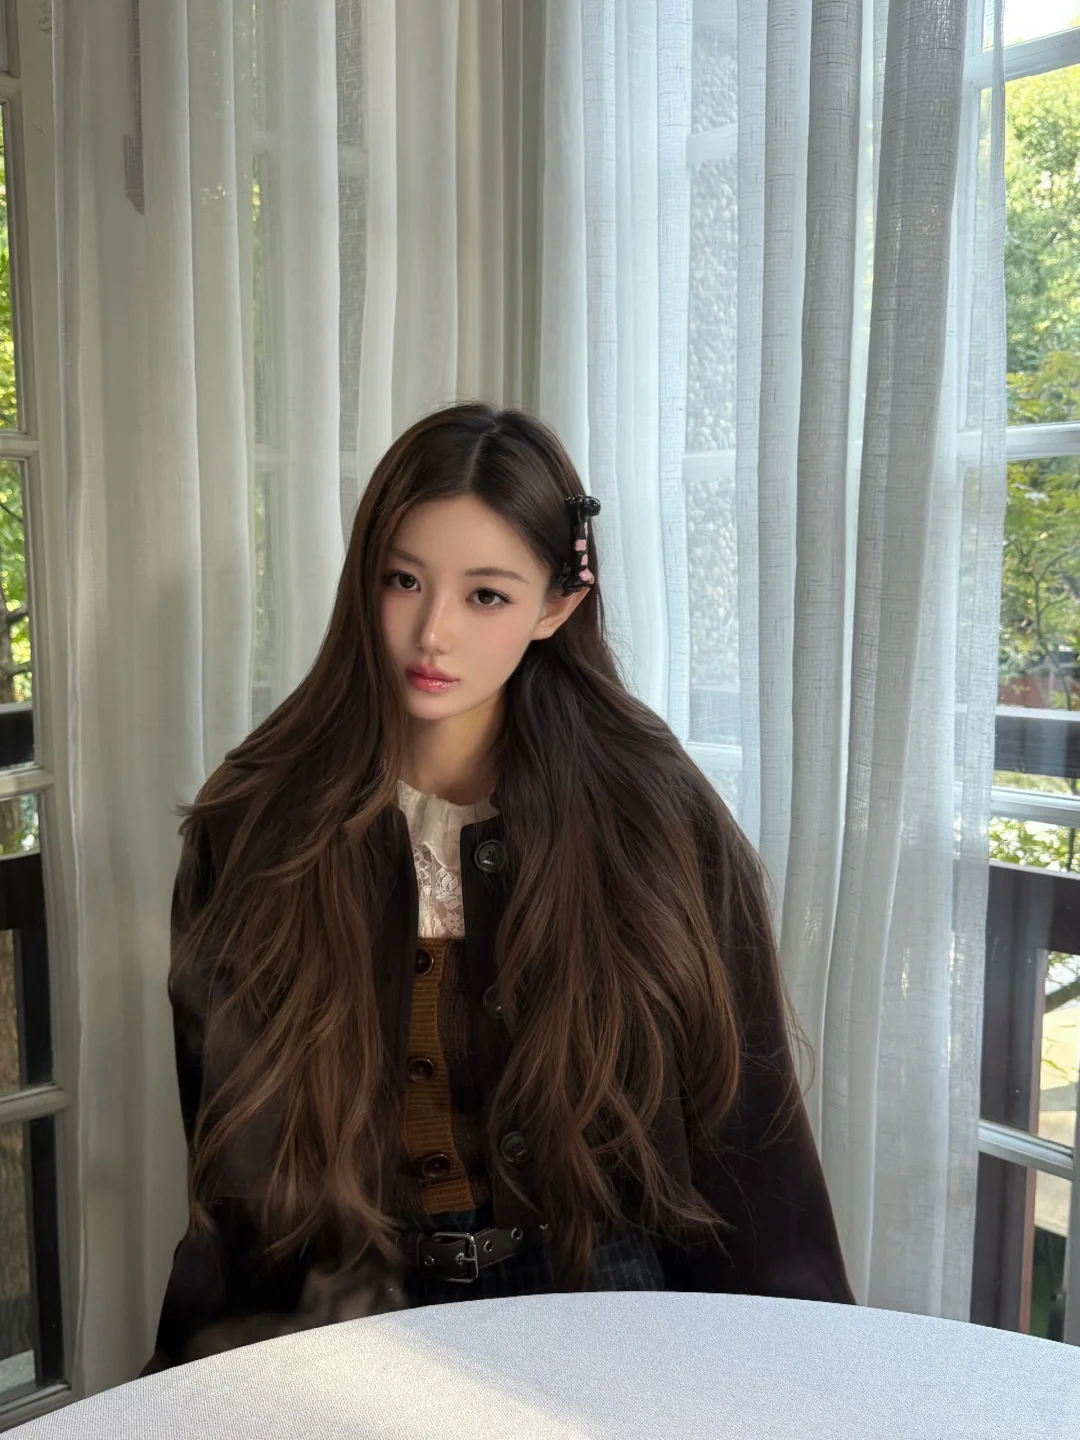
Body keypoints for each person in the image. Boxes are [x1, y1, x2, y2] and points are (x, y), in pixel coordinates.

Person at [143, 402, 854, 1372]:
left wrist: (810, 1366)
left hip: (602, 1294)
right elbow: (230, 1155)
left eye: (486, 595)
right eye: (403, 580)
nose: (432, 632)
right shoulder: (257, 821)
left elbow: (746, 1125)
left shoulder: (650, 811)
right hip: (341, 1306)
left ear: (556, 605)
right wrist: (203, 1375)